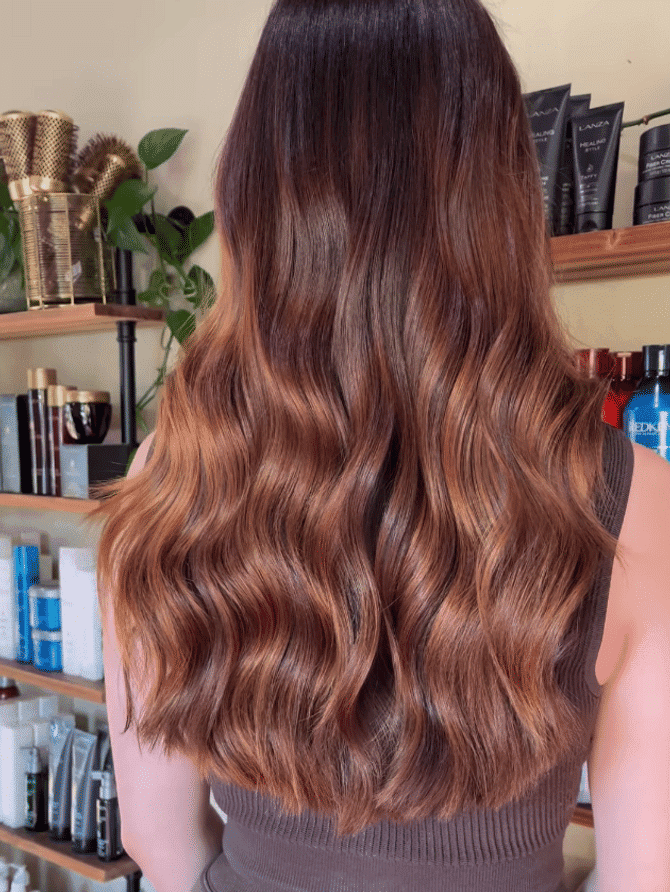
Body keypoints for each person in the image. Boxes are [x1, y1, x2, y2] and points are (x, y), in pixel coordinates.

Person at [90, 1, 670, 890]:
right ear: (501, 194)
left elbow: (156, 838)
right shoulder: (636, 499)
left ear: (257, 192)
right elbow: (645, 872)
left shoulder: (171, 477)